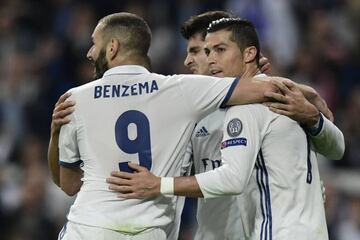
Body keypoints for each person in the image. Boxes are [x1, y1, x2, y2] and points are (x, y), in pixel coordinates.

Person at [54, 12, 286, 240]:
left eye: (94, 43)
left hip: (89, 227)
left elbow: (69, 184)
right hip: (149, 230)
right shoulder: (177, 91)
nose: (90, 52)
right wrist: (253, 71)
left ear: (112, 47)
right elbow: (266, 89)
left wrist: (55, 133)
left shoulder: (73, 99)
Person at [107, 18, 345, 240]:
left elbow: (232, 178)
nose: (211, 60)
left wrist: (159, 184)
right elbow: (337, 149)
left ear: (249, 53)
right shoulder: (285, 94)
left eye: (220, 50)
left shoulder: (248, 108)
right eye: (208, 52)